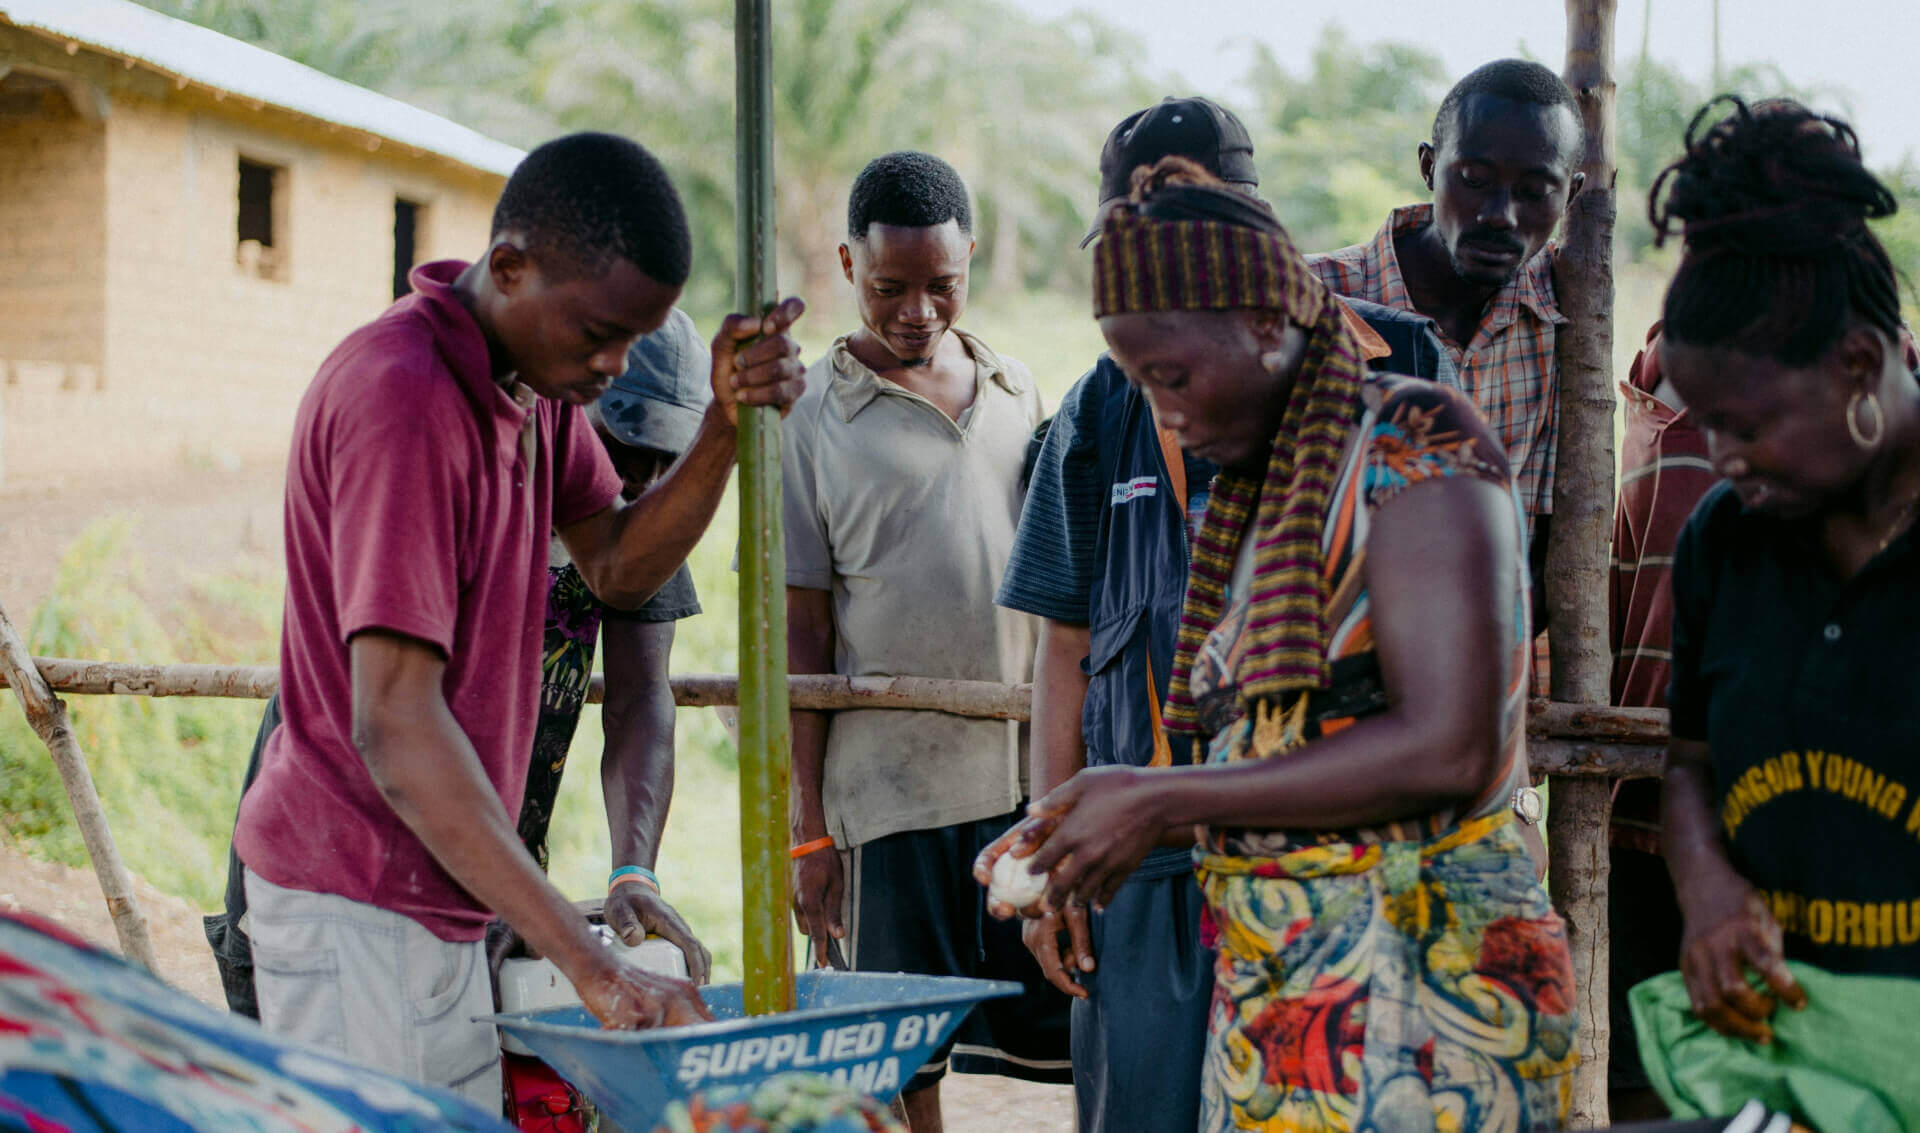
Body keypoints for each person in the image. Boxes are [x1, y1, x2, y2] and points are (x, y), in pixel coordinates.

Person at [978, 158, 1575, 1131]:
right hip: (1291, 993)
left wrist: (1162, 794)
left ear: (1264, 324)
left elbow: (1448, 745)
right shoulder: (1261, 503)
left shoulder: (1416, 441)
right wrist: (1082, 816)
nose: (1161, 413)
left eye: (1169, 377)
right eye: (1138, 383)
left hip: (1430, 995)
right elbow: (1282, 760)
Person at [232, 132, 807, 1105]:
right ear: (508, 267)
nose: (613, 367)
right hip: (360, 898)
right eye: (597, 335)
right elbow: (397, 723)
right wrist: (592, 962)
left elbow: (621, 566)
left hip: (440, 896)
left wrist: (722, 428)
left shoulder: (532, 393)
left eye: (633, 339)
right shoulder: (405, 397)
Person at [781, 151, 1067, 1131]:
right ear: (847, 265)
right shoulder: (810, 416)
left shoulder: (1017, 389)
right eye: (889, 287)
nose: (916, 311)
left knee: (1065, 1012)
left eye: (941, 286)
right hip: (886, 794)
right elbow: (804, 629)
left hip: (1015, 778)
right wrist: (808, 825)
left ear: (972, 259)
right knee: (899, 1056)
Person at [1652, 98, 1920, 1042]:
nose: (1720, 456)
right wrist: (1708, 885)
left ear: (1857, 364)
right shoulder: (1728, 538)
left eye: (1748, 425)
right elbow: (1689, 760)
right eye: (1706, 421)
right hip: (1790, 1042)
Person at [1307, 58, 1585, 640]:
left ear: (1571, 196)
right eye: (1474, 180)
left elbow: (1537, 550)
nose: (1499, 215)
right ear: (1429, 167)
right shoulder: (1316, 303)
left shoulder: (1563, 324)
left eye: (1534, 192)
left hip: (1484, 677)